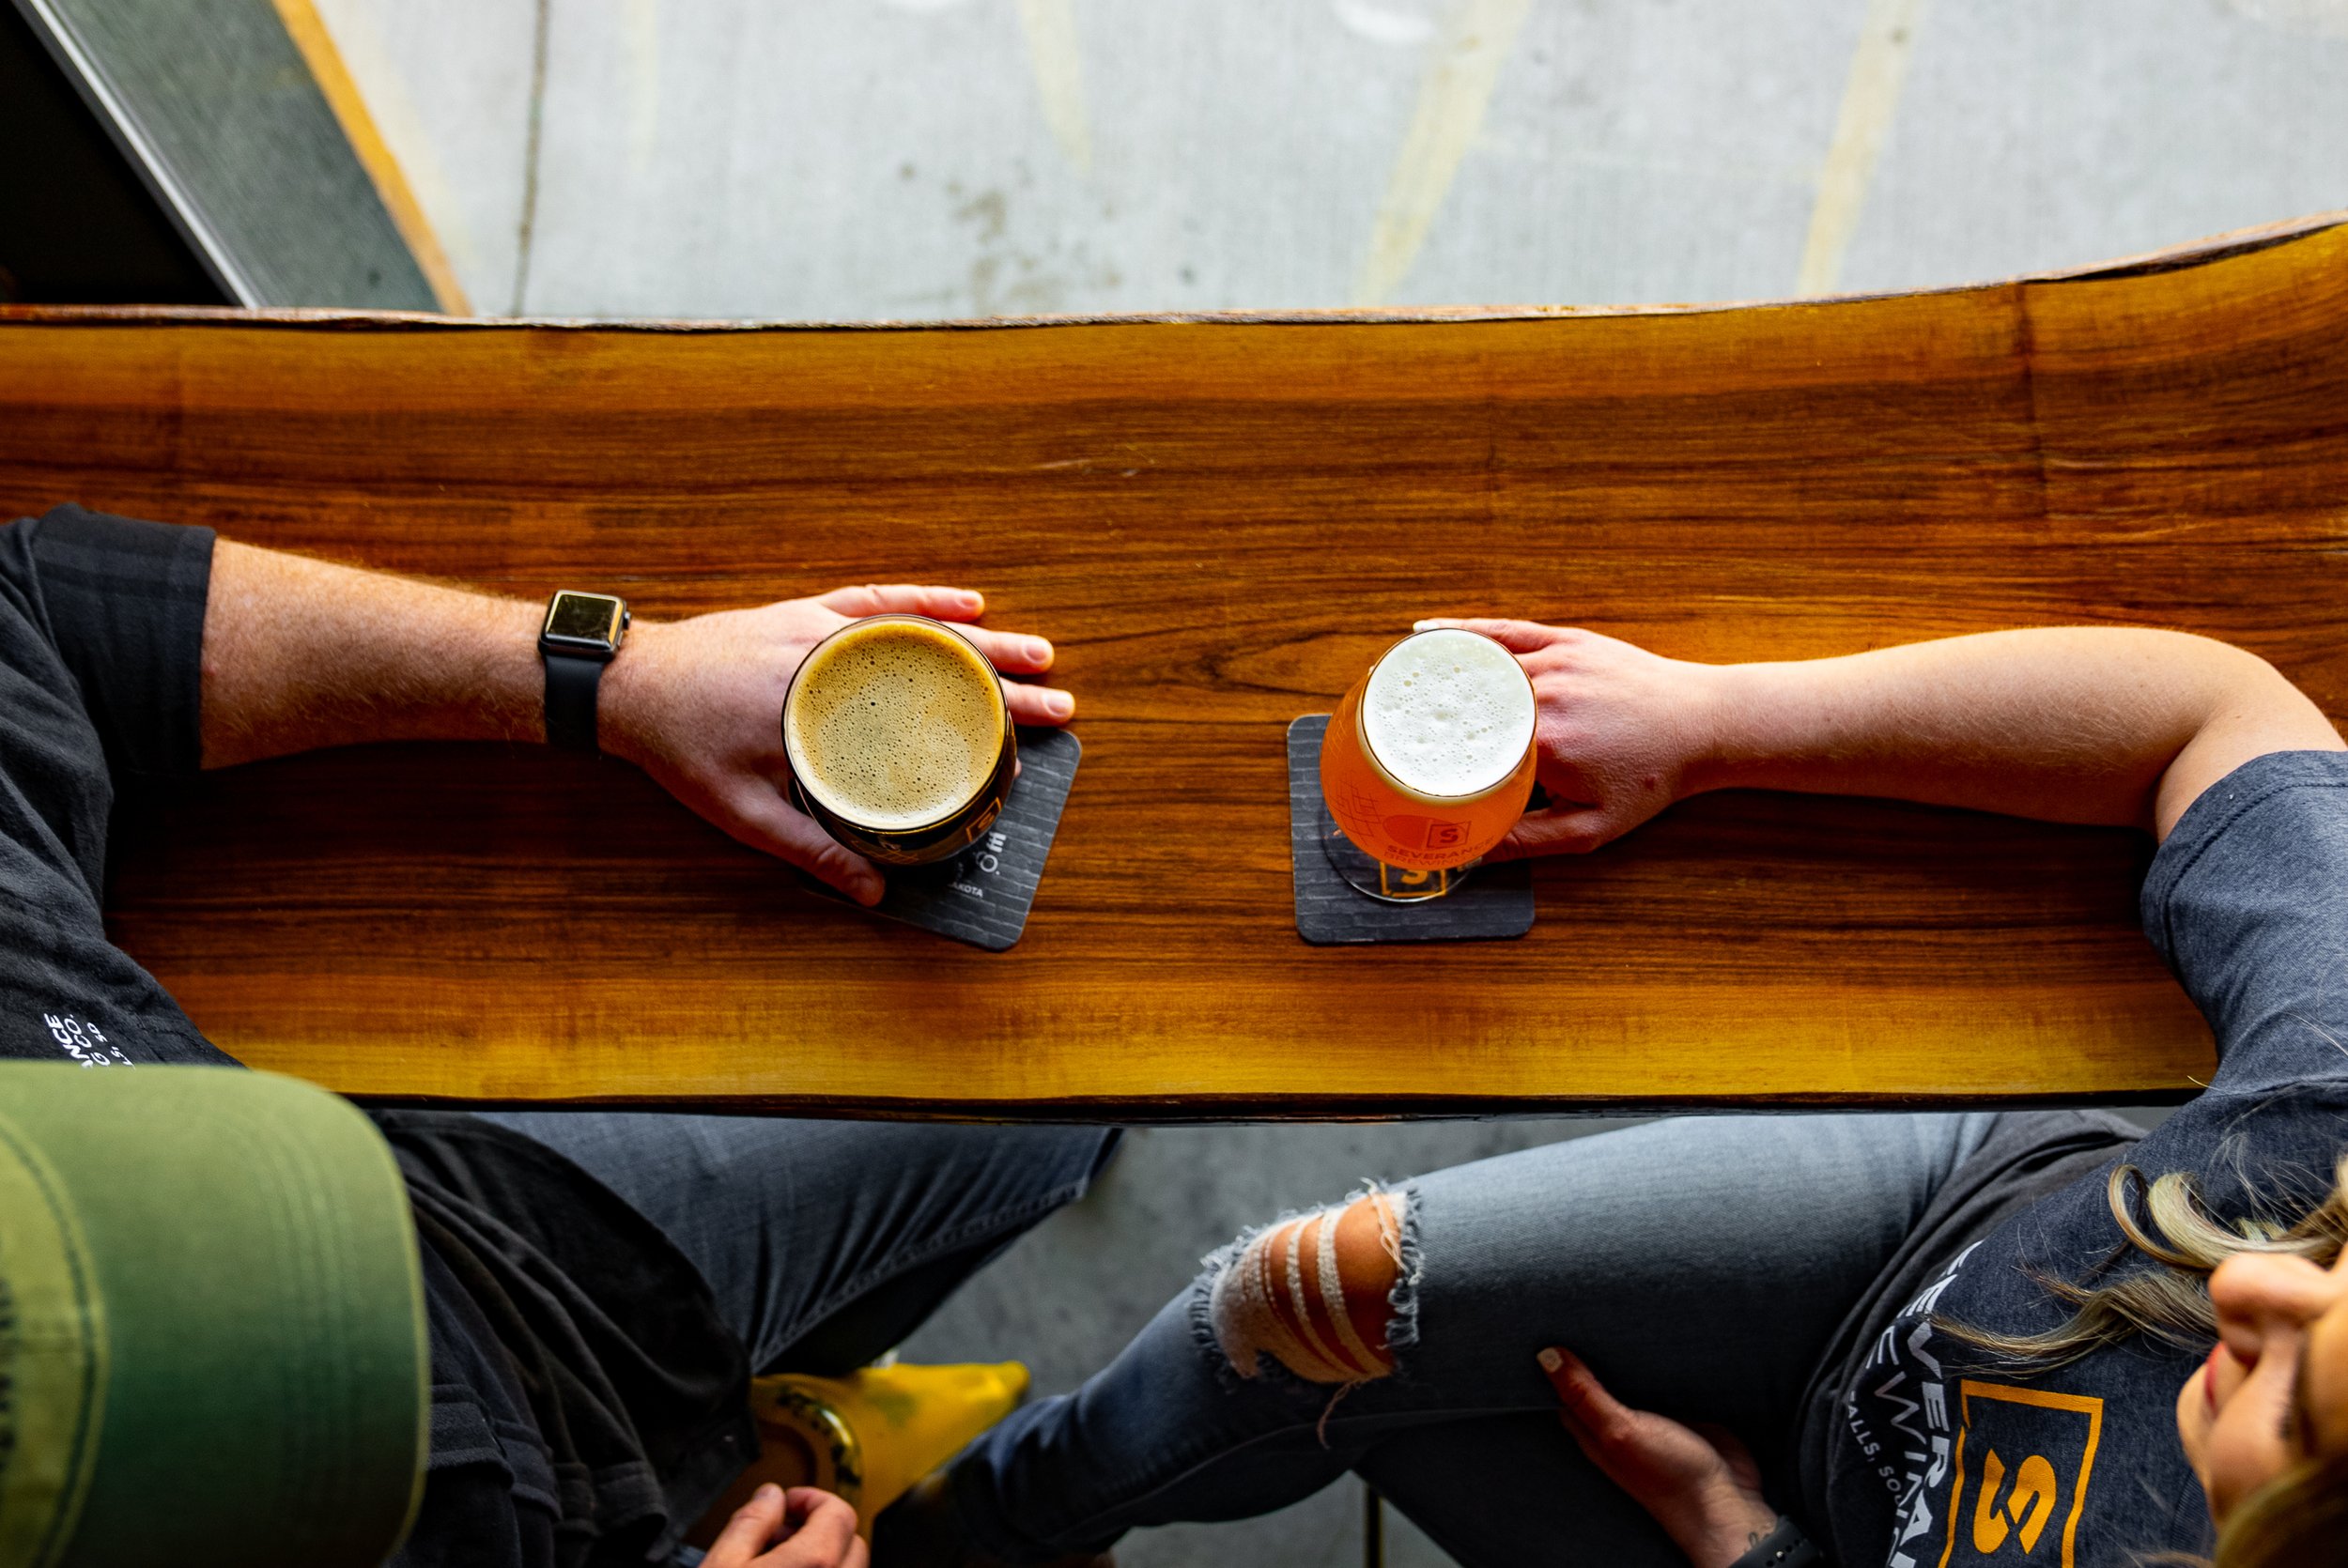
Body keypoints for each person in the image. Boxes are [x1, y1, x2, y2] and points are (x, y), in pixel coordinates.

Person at [880, 618, 2348, 1567]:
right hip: (1943, 1228)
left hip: (1800, 1532)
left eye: (2293, 1411)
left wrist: (1743, 1540)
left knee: (1358, 1388)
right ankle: (966, 1525)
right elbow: (2222, 710)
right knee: (1307, 1300)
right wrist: (1719, 722)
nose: (2260, 1290)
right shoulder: (2327, 1161)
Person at [0, 502, 1118, 1568]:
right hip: (592, 1502)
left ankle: (822, 1380)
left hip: (485, 1239)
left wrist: (610, 675)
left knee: (1053, 1107)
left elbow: (36, 603)